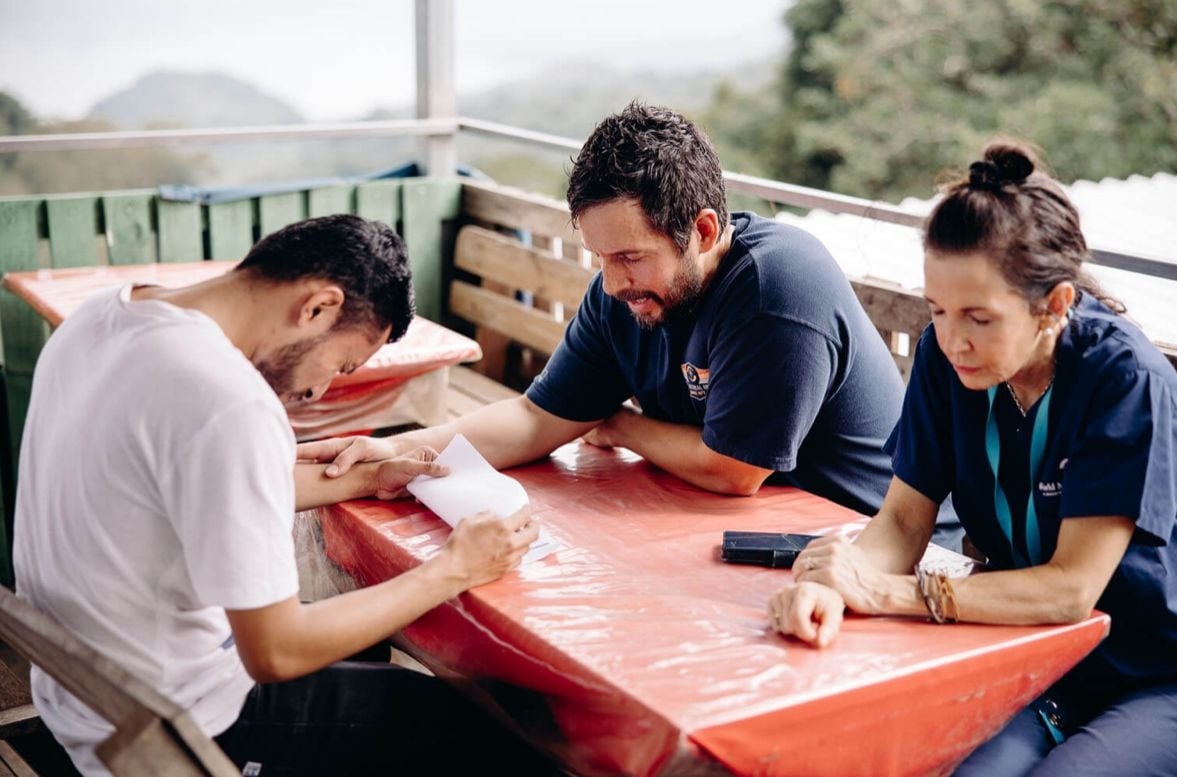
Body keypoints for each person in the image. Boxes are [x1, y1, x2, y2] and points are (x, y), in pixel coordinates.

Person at [13, 215, 551, 776]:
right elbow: (277, 652)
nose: (319, 389)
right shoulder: (229, 401)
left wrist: (366, 477)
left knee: (364, 650)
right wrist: (454, 567)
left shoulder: (104, 316)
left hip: (81, 693)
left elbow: (184, 487)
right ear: (317, 305)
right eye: (341, 363)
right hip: (174, 726)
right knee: (478, 731)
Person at [304, 103, 955, 541]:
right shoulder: (626, 293)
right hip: (745, 528)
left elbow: (733, 471)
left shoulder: (773, 288)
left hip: (868, 538)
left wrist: (616, 421)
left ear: (701, 231)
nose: (612, 282)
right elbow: (537, 419)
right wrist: (397, 448)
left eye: (629, 256)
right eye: (600, 258)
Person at [768, 142, 1177, 776]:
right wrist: (834, 589)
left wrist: (887, 592)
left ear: (1056, 305)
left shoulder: (1124, 378)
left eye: (980, 318)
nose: (953, 340)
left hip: (1151, 670)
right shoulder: (945, 358)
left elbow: (1073, 590)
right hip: (1025, 647)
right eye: (939, 311)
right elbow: (904, 521)